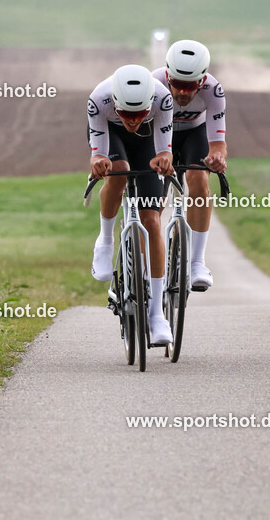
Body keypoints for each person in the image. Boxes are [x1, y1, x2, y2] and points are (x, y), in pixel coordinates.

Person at [87, 64, 175, 345]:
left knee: (152, 221)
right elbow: (97, 152)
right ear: (115, 102)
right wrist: (98, 161)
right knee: (117, 170)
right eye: (126, 113)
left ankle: (156, 314)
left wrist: (164, 159)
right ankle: (105, 240)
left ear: (150, 103)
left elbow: (164, 149)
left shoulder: (163, 98)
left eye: (140, 114)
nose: (133, 120)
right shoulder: (98, 99)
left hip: (148, 141)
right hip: (111, 137)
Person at [151, 40, 227, 291]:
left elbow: (218, 143)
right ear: (168, 76)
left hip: (195, 134)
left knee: (199, 180)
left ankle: (196, 263)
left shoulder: (214, 90)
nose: (183, 93)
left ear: (203, 80)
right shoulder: (153, 84)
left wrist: (217, 158)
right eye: (178, 85)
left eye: (191, 86)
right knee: (154, 198)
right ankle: (148, 263)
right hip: (161, 136)